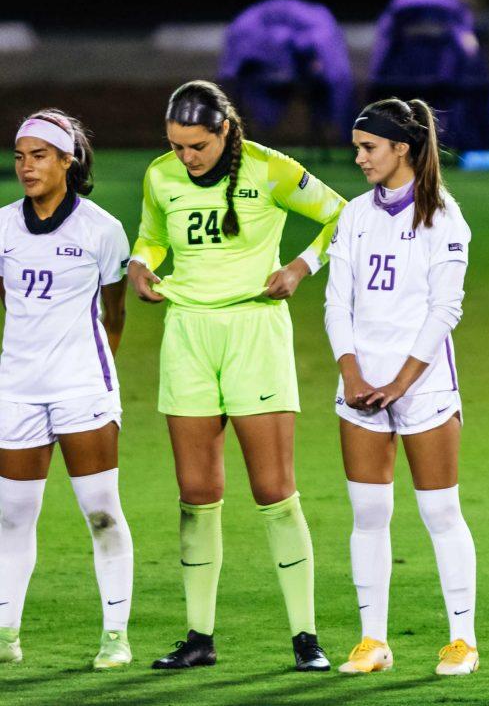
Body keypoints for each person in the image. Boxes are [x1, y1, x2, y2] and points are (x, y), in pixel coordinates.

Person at [127, 81, 346, 671]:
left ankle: (306, 637)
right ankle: (199, 638)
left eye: (195, 146)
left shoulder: (271, 169)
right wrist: (139, 265)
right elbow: (151, 237)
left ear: (224, 132)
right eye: (175, 145)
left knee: (274, 491)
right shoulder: (160, 175)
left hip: (254, 332)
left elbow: (342, 218)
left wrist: (301, 265)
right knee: (196, 496)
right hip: (187, 336)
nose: (185, 157)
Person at [324, 99, 478, 676]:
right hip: (362, 387)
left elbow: (446, 309)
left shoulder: (443, 217)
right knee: (368, 513)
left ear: (401, 150)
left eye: (368, 147)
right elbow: (338, 300)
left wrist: (400, 381)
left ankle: (462, 640)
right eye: (358, 146)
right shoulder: (355, 215)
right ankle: (372, 641)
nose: (358, 157)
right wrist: (353, 374)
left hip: (424, 386)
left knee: (440, 511)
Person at [0, 110, 134, 669]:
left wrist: (87, 371)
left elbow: (115, 312)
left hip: (84, 387)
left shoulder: (102, 229)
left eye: (39, 155)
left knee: (101, 512)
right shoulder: (3, 224)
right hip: (18, 390)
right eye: (19, 156)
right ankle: (6, 635)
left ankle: (115, 637)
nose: (26, 167)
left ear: (66, 161)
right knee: (11, 516)